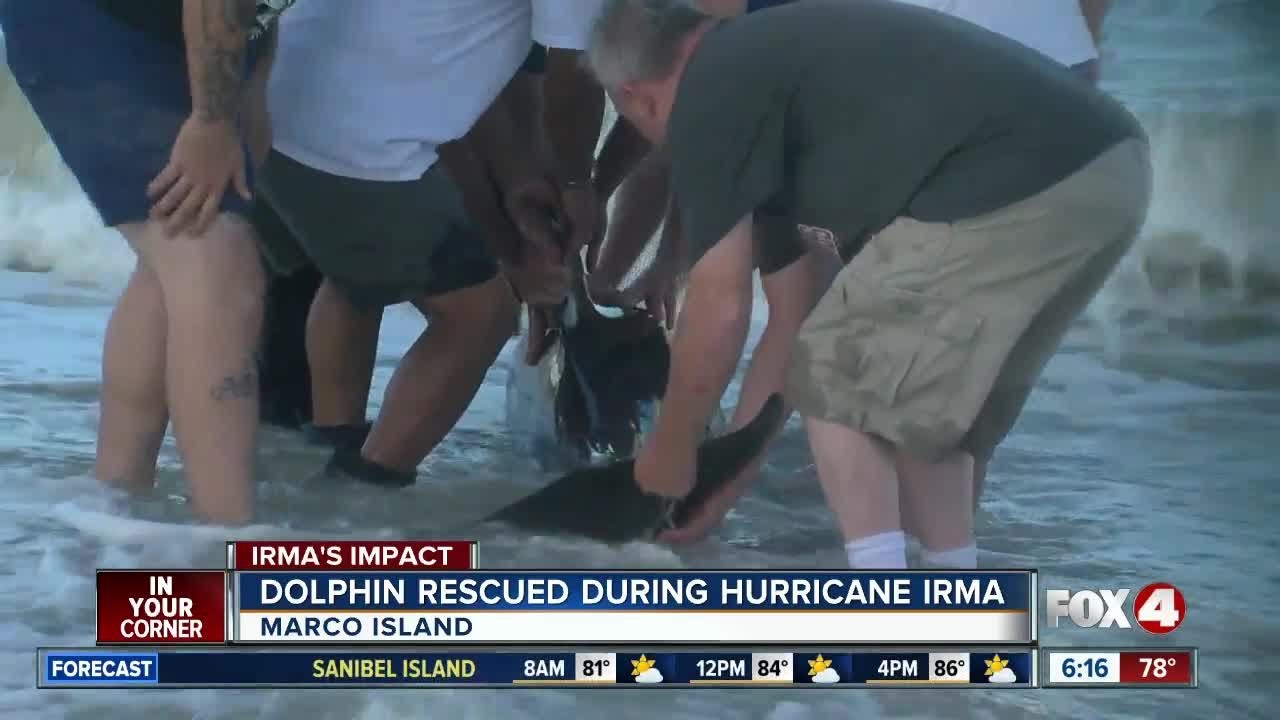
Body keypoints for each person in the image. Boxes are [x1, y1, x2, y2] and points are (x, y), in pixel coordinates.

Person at [589, 0, 1150, 569]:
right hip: (1109, 174)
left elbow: (719, 308)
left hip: (1013, 183)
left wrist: (669, 456)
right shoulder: (777, 81)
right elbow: (793, 319)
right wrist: (724, 484)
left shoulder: (713, 85)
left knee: (842, 374)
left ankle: (878, 608)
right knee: (923, 418)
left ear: (635, 95)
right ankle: (950, 613)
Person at [254, 0, 600, 486]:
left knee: (356, 266)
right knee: (481, 315)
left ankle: (333, 440)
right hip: (348, 142)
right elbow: (577, 72)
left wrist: (519, 196)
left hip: (264, 110)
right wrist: (577, 186)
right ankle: (363, 487)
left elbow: (460, 82)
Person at [0, 0, 298, 524]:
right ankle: (228, 542)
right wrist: (211, 119)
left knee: (177, 255)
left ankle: (116, 503)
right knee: (217, 258)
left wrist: (251, 90)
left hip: (182, 28)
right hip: (91, 20)